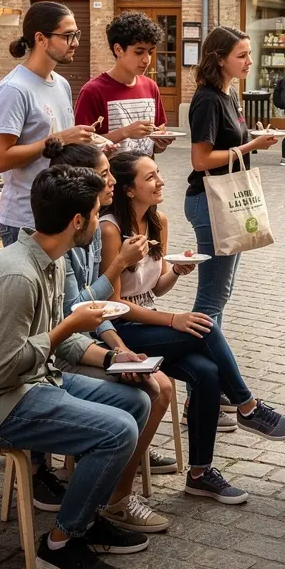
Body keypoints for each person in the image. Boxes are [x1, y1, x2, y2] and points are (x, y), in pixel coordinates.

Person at [0, 165, 155, 569]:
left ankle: (85, 519)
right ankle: (59, 545)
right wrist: (66, 328)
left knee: (136, 401)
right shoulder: (17, 276)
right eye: (98, 214)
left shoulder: (51, 260)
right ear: (77, 221)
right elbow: (5, 367)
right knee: (116, 431)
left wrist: (117, 360)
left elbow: (61, 346)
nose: (100, 223)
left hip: (37, 381)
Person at [102, 149, 285, 504]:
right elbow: (114, 306)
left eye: (158, 173)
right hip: (119, 333)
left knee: (207, 372)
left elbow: (155, 288)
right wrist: (174, 319)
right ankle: (248, 406)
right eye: (150, 178)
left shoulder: (158, 220)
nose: (161, 181)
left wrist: (176, 270)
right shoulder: (111, 230)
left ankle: (199, 474)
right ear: (129, 190)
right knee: (205, 326)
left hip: (149, 320)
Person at [46, 138, 176, 533]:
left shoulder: (85, 237)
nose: (112, 183)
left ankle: (122, 477)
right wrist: (119, 264)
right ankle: (113, 497)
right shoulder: (69, 244)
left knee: (176, 373)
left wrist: (119, 349)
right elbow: (76, 314)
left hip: (92, 340)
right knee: (156, 388)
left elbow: (95, 314)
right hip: (59, 358)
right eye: (105, 175)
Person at [186, 26, 281, 342]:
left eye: (249, 53)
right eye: (242, 55)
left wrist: (250, 139)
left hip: (229, 199)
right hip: (211, 200)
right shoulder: (207, 100)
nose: (249, 61)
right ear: (219, 59)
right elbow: (201, 160)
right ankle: (202, 382)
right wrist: (251, 147)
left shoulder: (230, 94)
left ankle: (212, 379)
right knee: (213, 297)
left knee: (220, 296)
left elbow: (229, 144)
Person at [0, 1, 93, 247]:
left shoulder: (61, 83)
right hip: (26, 220)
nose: (75, 42)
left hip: (63, 213)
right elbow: (0, 159)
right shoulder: (13, 89)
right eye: (67, 36)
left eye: (76, 34)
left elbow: (60, 144)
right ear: (41, 39)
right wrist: (60, 139)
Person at [74, 12, 173, 156]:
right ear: (118, 49)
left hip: (146, 175)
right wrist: (125, 132)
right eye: (139, 52)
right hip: (109, 177)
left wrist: (161, 143)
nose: (147, 60)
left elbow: (156, 146)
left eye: (150, 52)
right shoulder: (93, 91)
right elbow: (81, 148)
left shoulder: (151, 87)